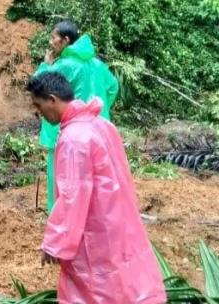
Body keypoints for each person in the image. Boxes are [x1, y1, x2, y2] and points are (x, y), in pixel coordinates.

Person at [27, 72, 164, 304]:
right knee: (123, 283)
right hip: (119, 221)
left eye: (38, 106)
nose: (39, 113)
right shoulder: (101, 125)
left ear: (52, 99)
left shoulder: (73, 139)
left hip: (95, 229)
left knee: (95, 289)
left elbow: (72, 196)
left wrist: (54, 243)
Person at [34, 20, 119, 211]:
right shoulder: (97, 64)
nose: (50, 41)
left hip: (65, 136)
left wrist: (45, 65)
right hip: (98, 133)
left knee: (62, 185)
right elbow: (113, 87)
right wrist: (101, 111)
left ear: (65, 40)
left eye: (53, 37)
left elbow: (38, 86)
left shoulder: (64, 65)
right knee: (94, 181)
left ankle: (60, 224)